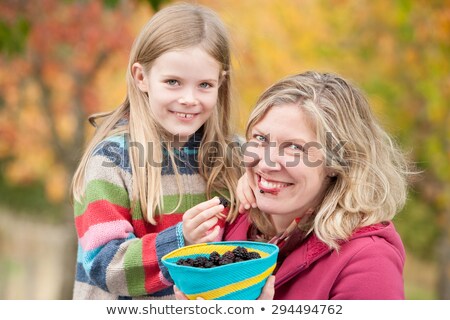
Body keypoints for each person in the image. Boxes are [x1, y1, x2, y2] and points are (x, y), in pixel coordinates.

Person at [176, 71, 412, 300]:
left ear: (337, 162)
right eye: (260, 139)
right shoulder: (231, 221)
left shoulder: (368, 262)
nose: (266, 162)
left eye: (294, 148)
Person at [71, 3, 242, 299]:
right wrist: (180, 240)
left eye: (204, 85)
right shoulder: (113, 160)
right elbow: (104, 264)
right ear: (141, 77)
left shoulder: (234, 157)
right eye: (173, 82)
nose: (189, 99)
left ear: (220, 83)